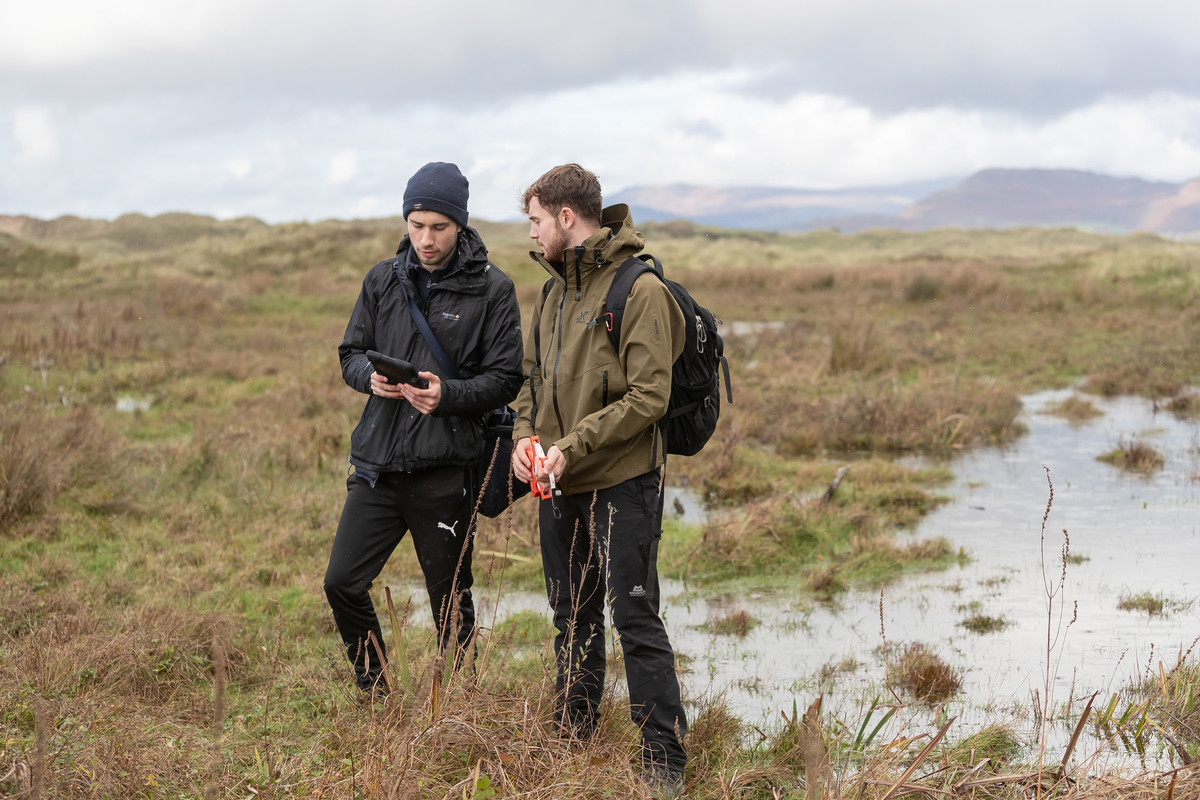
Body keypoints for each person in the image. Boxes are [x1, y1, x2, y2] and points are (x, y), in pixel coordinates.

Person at [510, 163, 688, 795]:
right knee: (570, 613)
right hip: (557, 480)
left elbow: (650, 397)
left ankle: (663, 757)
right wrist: (525, 442)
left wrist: (572, 445)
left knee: (633, 613)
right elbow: (532, 383)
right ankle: (575, 731)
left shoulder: (638, 290)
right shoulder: (552, 293)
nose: (530, 232)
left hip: (621, 479)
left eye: (535, 219)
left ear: (565, 217)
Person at [324, 161, 524, 695]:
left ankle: (459, 713)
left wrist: (448, 396)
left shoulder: (492, 289)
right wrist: (370, 379)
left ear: (459, 224)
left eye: (438, 227)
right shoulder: (381, 279)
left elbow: (507, 379)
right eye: (416, 225)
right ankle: (377, 692)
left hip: (447, 470)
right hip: (378, 466)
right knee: (341, 582)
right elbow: (349, 353)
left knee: (451, 604)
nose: (425, 239)